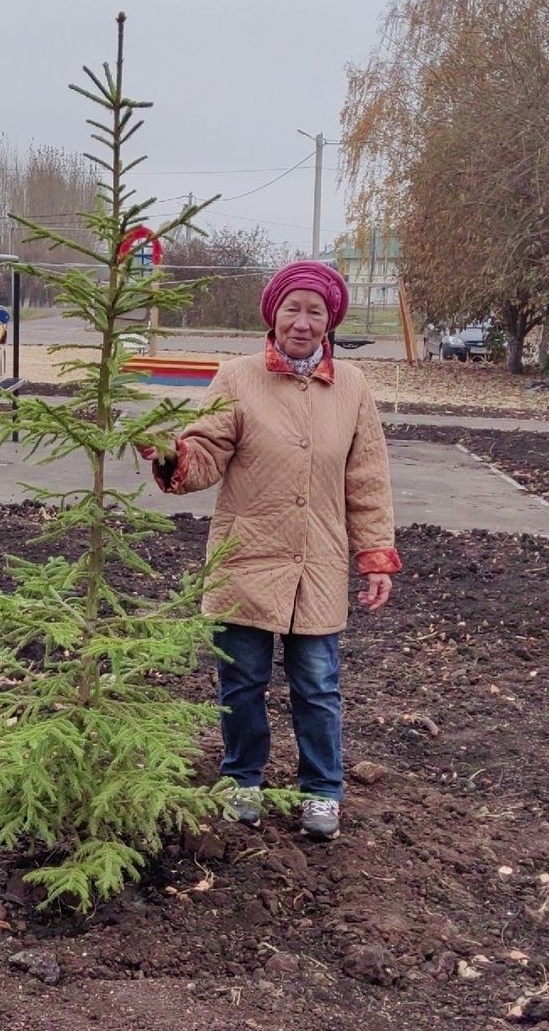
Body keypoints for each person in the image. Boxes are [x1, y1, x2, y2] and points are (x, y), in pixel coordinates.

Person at [146, 259, 400, 840]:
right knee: (242, 681)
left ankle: (321, 793)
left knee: (317, 685)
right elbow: (206, 452)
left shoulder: (353, 386)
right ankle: (242, 782)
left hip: (320, 560)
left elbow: (367, 478)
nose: (303, 322)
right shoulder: (237, 378)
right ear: (274, 315)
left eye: (315, 311)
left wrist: (375, 554)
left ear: (330, 319)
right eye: (293, 309)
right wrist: (174, 456)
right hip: (248, 557)